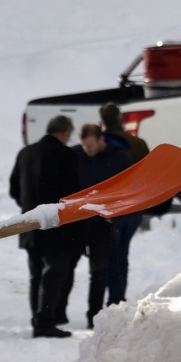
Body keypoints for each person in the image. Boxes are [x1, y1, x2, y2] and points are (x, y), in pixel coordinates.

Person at [8, 114, 80, 338]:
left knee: (35, 274)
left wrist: (29, 206)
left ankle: (38, 319)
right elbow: (73, 192)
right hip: (56, 226)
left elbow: (14, 189)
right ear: (66, 132)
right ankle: (45, 322)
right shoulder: (66, 155)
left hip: (29, 224)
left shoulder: (25, 153)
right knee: (53, 275)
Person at [74, 124, 132, 328]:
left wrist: (116, 214)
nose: (87, 150)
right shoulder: (76, 155)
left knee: (100, 270)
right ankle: (54, 312)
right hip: (79, 220)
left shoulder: (119, 157)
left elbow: (127, 188)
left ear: (101, 140)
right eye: (84, 147)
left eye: (90, 146)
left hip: (103, 221)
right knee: (64, 265)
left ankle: (94, 315)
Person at [98, 102, 151, 307]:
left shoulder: (103, 144)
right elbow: (148, 174)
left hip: (112, 208)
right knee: (122, 255)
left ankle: (115, 300)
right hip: (135, 208)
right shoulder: (138, 143)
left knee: (113, 256)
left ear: (101, 121)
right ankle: (119, 298)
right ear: (120, 119)